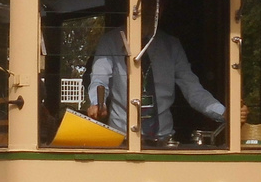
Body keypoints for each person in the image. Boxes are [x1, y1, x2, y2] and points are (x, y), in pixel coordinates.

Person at [87, 27, 226, 141]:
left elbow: (193, 90)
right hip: (123, 140)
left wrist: (225, 113)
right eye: (143, 2)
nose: (147, 8)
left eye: (154, 1)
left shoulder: (171, 45)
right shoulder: (110, 41)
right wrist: (97, 103)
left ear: (161, 6)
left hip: (163, 141)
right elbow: (99, 79)